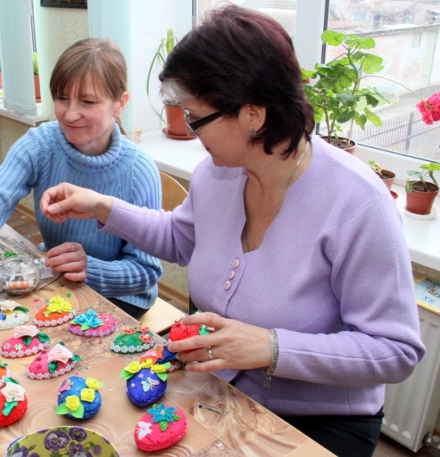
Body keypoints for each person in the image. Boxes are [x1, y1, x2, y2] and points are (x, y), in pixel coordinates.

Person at [40, 7, 425, 457]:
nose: (187, 126)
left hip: (318, 421)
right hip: (219, 389)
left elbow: (395, 350)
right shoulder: (217, 172)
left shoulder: (359, 204)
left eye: (195, 116)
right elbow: (181, 239)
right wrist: (102, 206)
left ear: (252, 115)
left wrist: (271, 347)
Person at [0, 38, 162, 320]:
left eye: (87, 101)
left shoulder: (139, 171)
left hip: (120, 298)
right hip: (61, 281)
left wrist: (91, 269)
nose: (70, 114)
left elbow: (146, 272)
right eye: (62, 98)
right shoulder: (42, 144)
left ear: (120, 103)